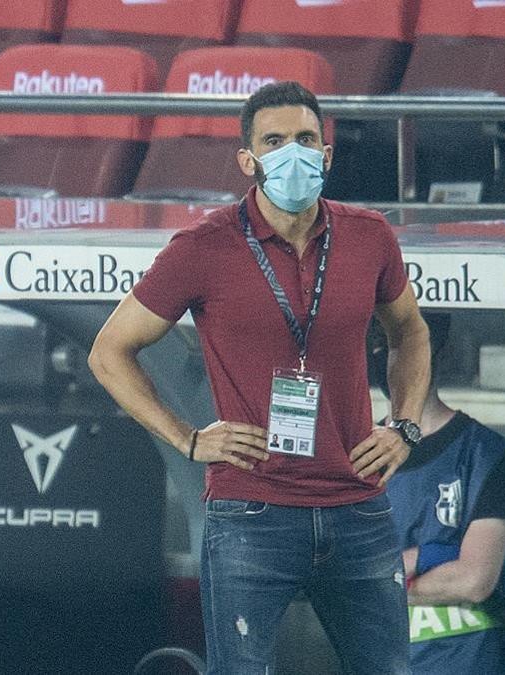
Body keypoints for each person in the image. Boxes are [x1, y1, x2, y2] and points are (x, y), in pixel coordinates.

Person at [88, 81, 430, 673]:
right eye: (275, 141)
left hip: (358, 506)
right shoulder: (203, 247)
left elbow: (412, 334)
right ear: (248, 161)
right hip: (252, 510)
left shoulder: (370, 235)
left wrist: (404, 426)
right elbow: (109, 352)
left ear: (326, 154)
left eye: (305, 139)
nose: (292, 152)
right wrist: (187, 437)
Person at [374, 314, 505, 673]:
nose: (395, 359)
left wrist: (398, 572)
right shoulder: (355, 458)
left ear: (437, 353)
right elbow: (335, 576)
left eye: (410, 346)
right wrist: (435, 557)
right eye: (385, 347)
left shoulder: (488, 457)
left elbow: (475, 579)